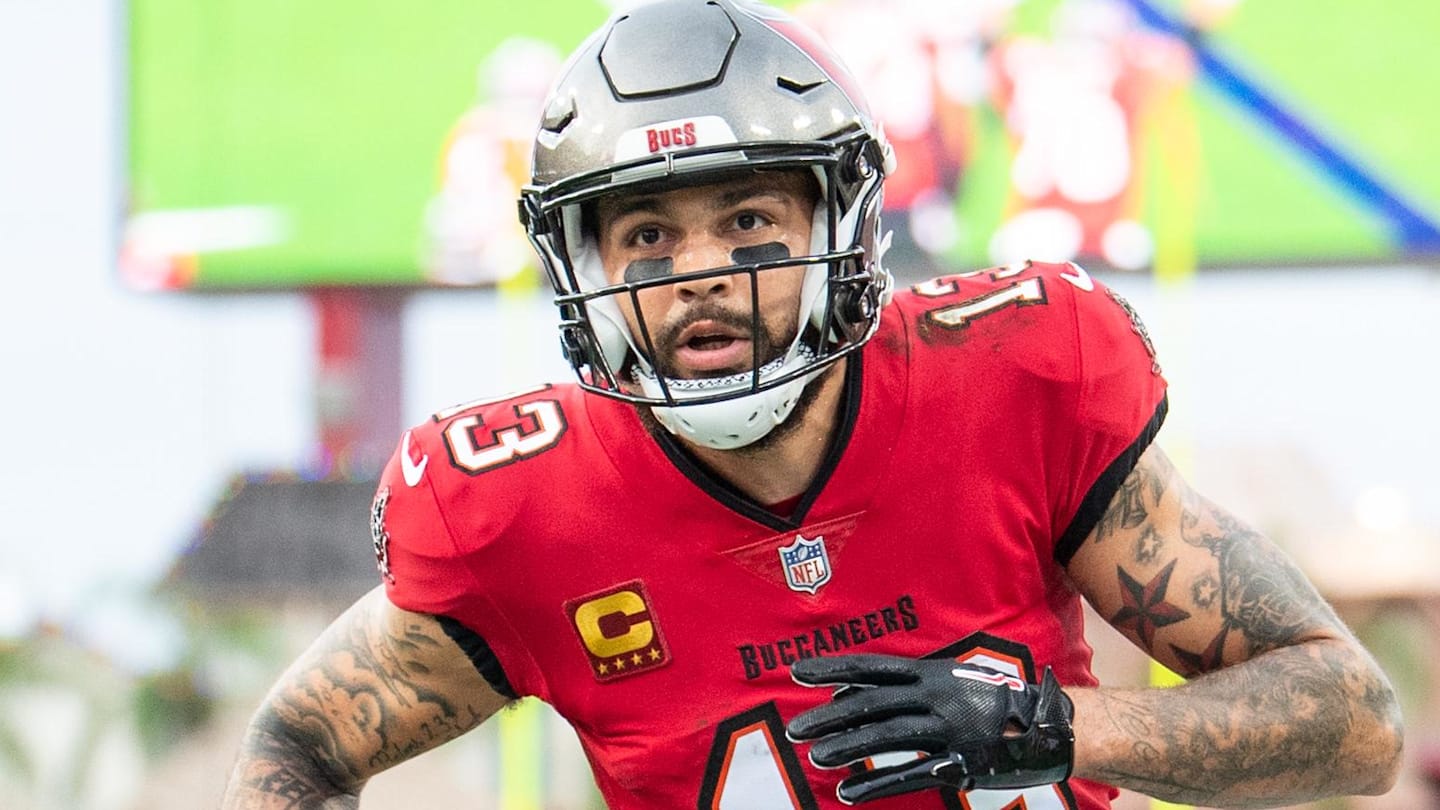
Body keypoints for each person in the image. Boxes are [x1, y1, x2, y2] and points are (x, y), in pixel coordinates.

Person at [221, 1, 1403, 808]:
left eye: (748, 221)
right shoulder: (520, 502)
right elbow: (302, 742)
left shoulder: (1012, 384)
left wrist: (1045, 728)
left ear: (838, 225)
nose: (700, 277)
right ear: (584, 267)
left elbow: (1351, 718)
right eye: (645, 235)